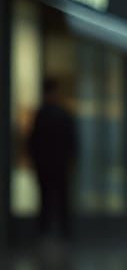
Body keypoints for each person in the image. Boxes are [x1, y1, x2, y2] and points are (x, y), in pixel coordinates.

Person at [28, 76, 78, 241]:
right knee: (59, 198)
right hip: (57, 165)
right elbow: (73, 142)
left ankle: (47, 230)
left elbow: (33, 142)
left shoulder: (43, 114)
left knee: (47, 198)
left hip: (47, 165)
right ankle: (61, 231)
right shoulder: (61, 114)